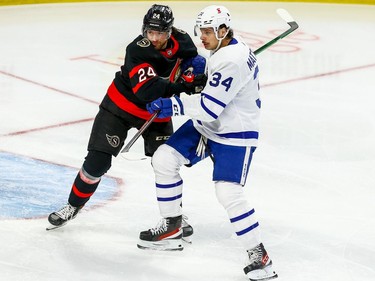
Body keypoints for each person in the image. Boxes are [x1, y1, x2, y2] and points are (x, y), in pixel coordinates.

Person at [137, 5, 278, 281]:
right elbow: (212, 98)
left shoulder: (232, 60)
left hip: (235, 133)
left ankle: (259, 254)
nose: (202, 37)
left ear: (223, 30)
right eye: (200, 31)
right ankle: (172, 226)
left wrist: (172, 104)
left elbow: (210, 107)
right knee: (164, 158)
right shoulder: (226, 50)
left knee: (228, 192)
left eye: (206, 32)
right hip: (210, 125)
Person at [47, 4, 207, 240]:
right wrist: (185, 85)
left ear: (169, 31)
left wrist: (194, 70)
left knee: (166, 164)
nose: (154, 38)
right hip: (120, 108)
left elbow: (192, 59)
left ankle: (174, 218)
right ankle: (73, 206)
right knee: (97, 163)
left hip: (158, 114)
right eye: (150, 32)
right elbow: (147, 92)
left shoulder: (182, 40)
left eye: (160, 33)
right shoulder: (137, 50)